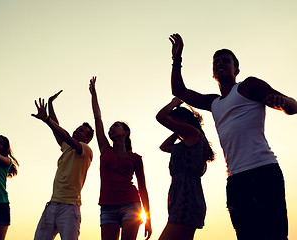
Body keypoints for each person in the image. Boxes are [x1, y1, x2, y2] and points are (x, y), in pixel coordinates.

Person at [169, 33, 297, 240]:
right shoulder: (213, 103)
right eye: (216, 62)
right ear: (212, 74)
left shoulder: (248, 86)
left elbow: (293, 106)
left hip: (264, 172)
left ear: (236, 69)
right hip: (236, 180)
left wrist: (283, 103)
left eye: (225, 61)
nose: (220, 63)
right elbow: (179, 90)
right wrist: (177, 59)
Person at [89, 76, 152, 240]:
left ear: (125, 132)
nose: (111, 128)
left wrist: (148, 218)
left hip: (131, 204)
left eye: (116, 126)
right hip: (107, 206)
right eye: (111, 127)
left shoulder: (135, 158)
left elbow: (143, 188)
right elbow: (98, 119)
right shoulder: (105, 149)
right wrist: (93, 94)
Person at [32, 91, 94, 240]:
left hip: (70, 207)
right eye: (77, 129)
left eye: (81, 131)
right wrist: (51, 104)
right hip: (52, 205)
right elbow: (57, 128)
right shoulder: (67, 147)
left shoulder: (85, 150)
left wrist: (46, 119)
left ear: (87, 139)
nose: (77, 131)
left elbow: (64, 134)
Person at [156, 97, 215, 240]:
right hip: (182, 195)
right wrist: (177, 131)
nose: (171, 125)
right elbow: (163, 147)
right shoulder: (186, 143)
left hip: (186, 196)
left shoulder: (194, 134)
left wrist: (174, 103)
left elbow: (160, 117)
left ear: (184, 120)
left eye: (173, 121)